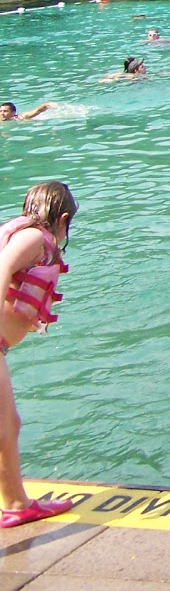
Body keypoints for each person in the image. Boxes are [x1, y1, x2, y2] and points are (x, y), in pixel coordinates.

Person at [0, 181, 77, 527]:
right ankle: (16, 505)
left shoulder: (24, 235)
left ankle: (17, 504)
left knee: (9, 424)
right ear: (63, 219)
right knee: (3, 429)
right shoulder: (34, 238)